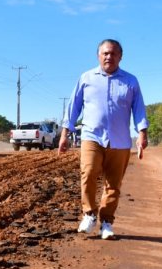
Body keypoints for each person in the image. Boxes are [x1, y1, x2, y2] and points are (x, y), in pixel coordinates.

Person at [58, 39, 149, 240]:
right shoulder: (86, 78)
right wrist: (65, 134)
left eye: (113, 53)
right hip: (92, 136)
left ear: (120, 57)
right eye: (105, 53)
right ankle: (89, 214)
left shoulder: (131, 81)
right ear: (98, 55)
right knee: (88, 172)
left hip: (120, 140)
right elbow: (73, 108)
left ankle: (106, 222)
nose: (109, 57)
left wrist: (142, 133)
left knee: (113, 183)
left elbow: (139, 109)